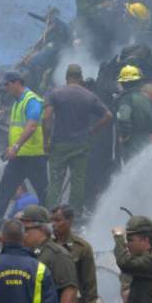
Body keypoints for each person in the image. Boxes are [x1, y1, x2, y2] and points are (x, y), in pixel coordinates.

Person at [43, 64, 112, 212]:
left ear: (67, 77)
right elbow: (108, 115)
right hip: (81, 145)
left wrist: (46, 141)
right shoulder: (89, 95)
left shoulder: (55, 93)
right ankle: (74, 216)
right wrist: (92, 131)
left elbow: (47, 118)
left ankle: (52, 215)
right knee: (78, 182)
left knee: (55, 182)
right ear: (80, 78)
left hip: (59, 145)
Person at [0, 72, 48, 218]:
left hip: (33, 157)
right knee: (4, 190)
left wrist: (15, 146)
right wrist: (12, 148)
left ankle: (48, 220)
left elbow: (32, 126)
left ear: (17, 83)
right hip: (18, 157)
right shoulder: (17, 102)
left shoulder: (32, 100)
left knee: (44, 192)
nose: (5, 88)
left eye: (7, 84)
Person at [115, 65, 152, 163]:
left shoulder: (126, 99)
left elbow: (124, 118)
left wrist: (124, 136)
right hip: (146, 142)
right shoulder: (147, 98)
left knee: (131, 169)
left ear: (123, 83)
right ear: (139, 82)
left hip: (131, 144)